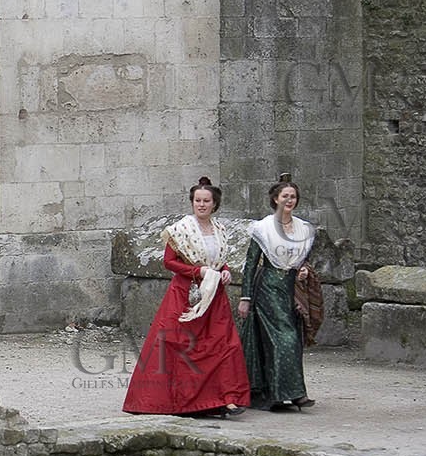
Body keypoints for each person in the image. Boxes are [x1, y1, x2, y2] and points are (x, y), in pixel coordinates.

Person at [123, 176, 250, 417]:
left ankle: (227, 398)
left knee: (223, 346)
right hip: (187, 294)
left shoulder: (220, 230)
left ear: (214, 204)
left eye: (206, 201)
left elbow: (220, 261)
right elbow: (169, 262)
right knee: (183, 346)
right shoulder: (180, 230)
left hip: (214, 296)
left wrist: (224, 272)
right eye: (197, 200)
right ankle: (184, 402)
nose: (201, 205)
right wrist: (197, 271)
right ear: (192, 203)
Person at [238, 174, 316, 411]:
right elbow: (251, 264)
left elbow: (305, 260)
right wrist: (246, 297)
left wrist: (303, 270)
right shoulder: (262, 228)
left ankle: (279, 393)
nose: (289, 200)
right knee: (286, 338)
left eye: (293, 197)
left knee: (287, 340)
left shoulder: (304, 228)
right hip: (269, 287)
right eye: (285, 196)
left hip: (291, 289)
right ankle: (294, 394)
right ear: (275, 199)